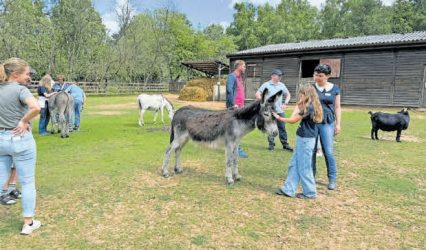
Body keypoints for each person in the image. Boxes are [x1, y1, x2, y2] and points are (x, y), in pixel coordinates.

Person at [0, 57, 42, 235]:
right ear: (15, 75)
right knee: (27, 182)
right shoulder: (20, 90)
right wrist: (24, 121)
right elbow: (36, 108)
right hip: (20, 139)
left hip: (1, 139)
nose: (28, 77)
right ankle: (28, 223)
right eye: (26, 73)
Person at [274, 85, 323, 199]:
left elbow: (293, 120)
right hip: (303, 139)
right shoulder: (308, 106)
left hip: (306, 140)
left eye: (301, 94)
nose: (300, 96)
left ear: (306, 95)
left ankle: (310, 193)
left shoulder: (309, 108)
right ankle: (288, 189)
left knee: (304, 167)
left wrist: (279, 118)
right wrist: (300, 103)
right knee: (294, 164)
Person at [311, 64, 341, 190]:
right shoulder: (311, 88)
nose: (317, 78)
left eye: (321, 76)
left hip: (328, 122)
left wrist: (338, 124)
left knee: (328, 151)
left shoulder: (335, 89)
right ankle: (311, 176)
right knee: (311, 151)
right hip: (312, 121)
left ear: (328, 76)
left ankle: (332, 179)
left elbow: (337, 107)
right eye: (316, 75)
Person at [255, 69, 293, 152]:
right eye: (278, 75)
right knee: (270, 128)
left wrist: (285, 103)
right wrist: (264, 101)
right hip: (269, 111)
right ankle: (271, 144)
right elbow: (257, 94)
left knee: (282, 128)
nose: (280, 77)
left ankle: (285, 145)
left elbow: (288, 94)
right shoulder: (266, 85)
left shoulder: (282, 85)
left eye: (281, 75)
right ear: (273, 76)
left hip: (280, 111)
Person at [226, 59, 248, 158]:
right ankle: (236, 150)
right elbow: (229, 91)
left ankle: (235, 148)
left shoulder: (239, 78)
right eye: (244, 66)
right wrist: (233, 104)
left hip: (240, 107)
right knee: (236, 129)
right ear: (238, 66)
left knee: (238, 128)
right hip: (234, 107)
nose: (245, 68)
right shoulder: (232, 77)